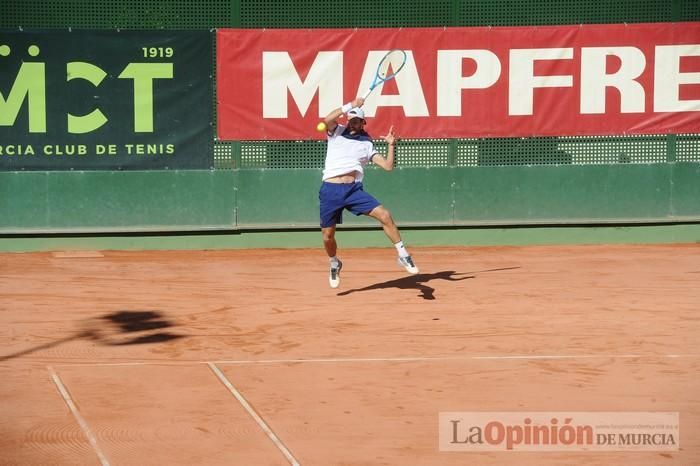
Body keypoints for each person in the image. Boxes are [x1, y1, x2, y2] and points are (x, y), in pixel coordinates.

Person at [319, 97, 418, 288]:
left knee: (385, 215)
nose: (353, 123)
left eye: (357, 120)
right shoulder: (336, 132)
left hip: (353, 190)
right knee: (327, 236)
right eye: (351, 120)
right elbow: (326, 119)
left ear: (364, 123)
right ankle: (334, 262)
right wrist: (351, 105)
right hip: (330, 191)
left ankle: (403, 255)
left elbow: (388, 167)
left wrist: (391, 145)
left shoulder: (367, 144)